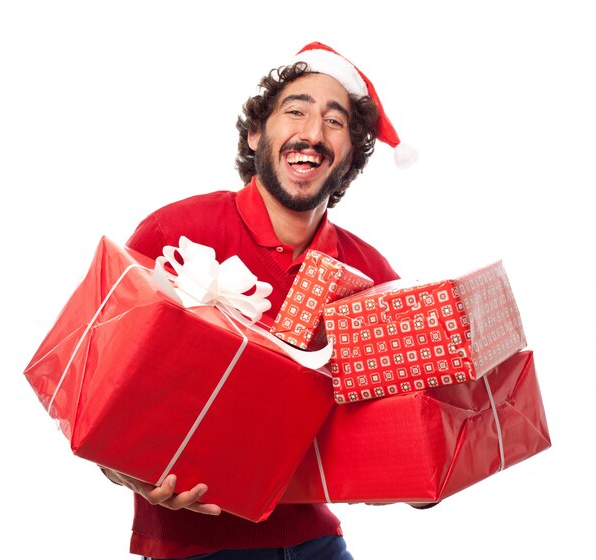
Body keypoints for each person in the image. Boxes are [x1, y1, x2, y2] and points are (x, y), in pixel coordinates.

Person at [101, 41, 417, 560]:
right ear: (255, 133)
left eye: (335, 122)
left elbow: (399, 421)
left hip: (318, 542)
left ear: (351, 156)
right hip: (194, 544)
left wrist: (416, 478)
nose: (313, 132)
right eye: (296, 111)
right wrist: (121, 468)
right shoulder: (176, 232)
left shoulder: (372, 276)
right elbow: (103, 386)